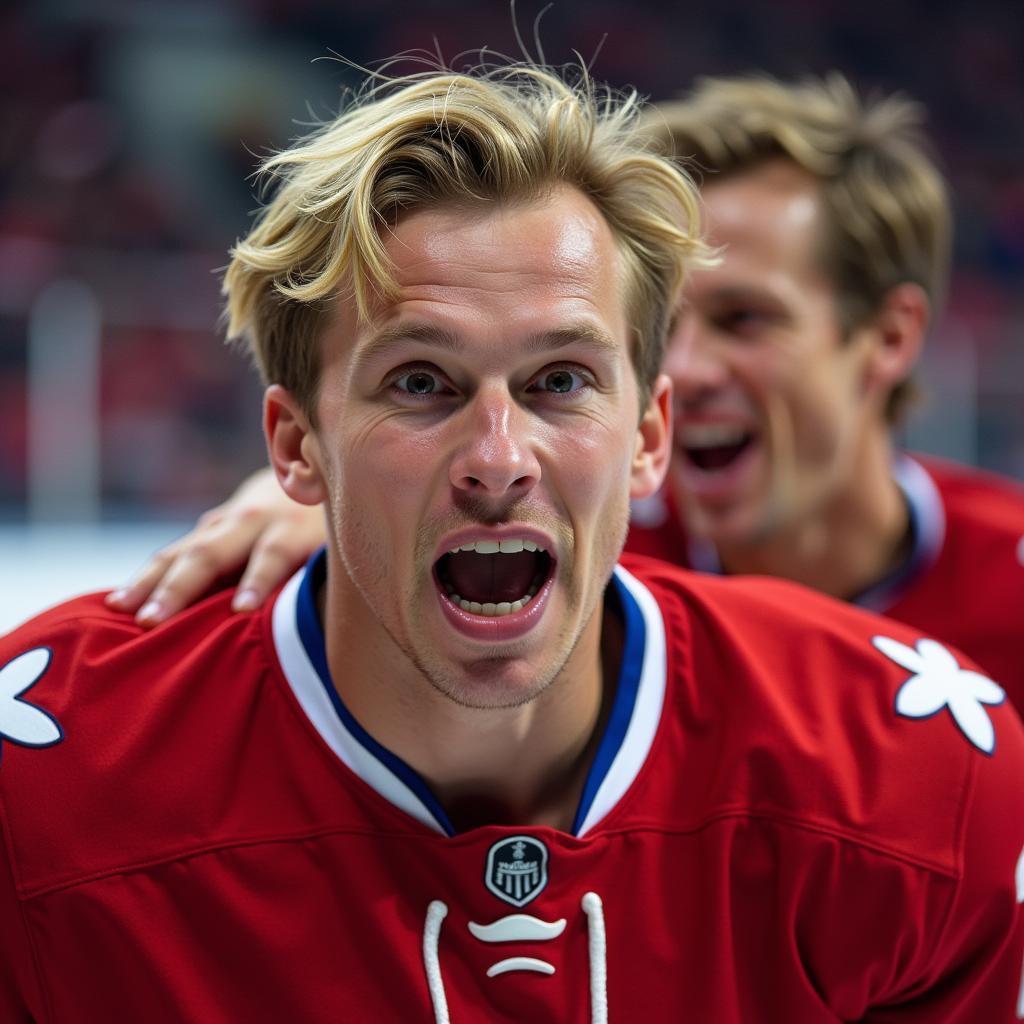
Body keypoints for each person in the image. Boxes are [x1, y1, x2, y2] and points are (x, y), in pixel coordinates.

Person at [2, 62, 1021, 1021]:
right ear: (292, 445)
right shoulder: (40, 794)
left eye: (559, 380)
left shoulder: (923, 786)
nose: (499, 459)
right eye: (420, 382)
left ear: (647, 435)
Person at [114, 73, 1024, 718]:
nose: (689, 367)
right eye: (670, 326)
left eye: (745, 319)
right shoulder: (583, 556)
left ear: (891, 337)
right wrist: (318, 501)